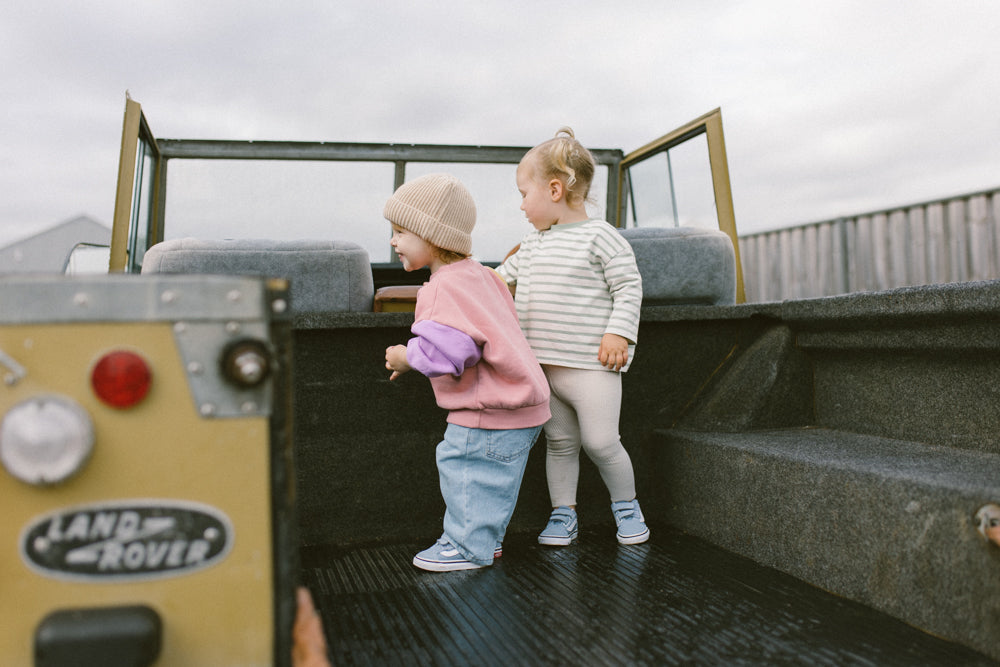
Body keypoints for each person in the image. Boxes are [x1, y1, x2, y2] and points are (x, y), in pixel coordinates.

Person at [383, 173, 551, 571]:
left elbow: (454, 352)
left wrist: (406, 356)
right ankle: (485, 539)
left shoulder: (440, 288)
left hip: (487, 411)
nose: (393, 241)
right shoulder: (484, 275)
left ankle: (466, 547)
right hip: (524, 407)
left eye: (400, 231)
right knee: (492, 482)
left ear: (432, 235)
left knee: (464, 471)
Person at [496, 127, 650, 546]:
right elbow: (497, 283)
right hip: (544, 369)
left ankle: (627, 506)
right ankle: (564, 514)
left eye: (524, 194)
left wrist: (618, 333)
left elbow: (628, 288)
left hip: (591, 368)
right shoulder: (531, 245)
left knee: (602, 443)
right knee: (560, 444)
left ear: (555, 188)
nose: (522, 205)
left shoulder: (601, 237)